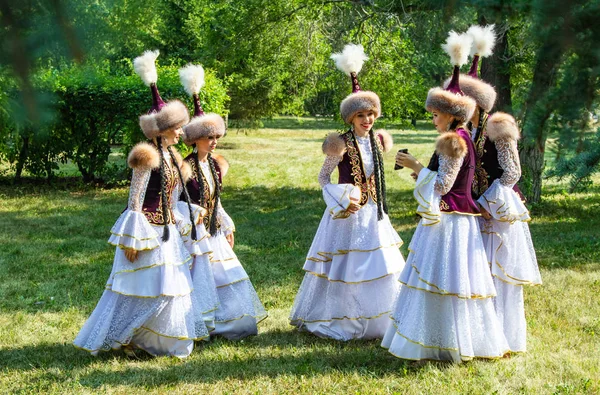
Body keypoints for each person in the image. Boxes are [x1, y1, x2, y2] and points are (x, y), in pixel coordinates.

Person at [381, 32, 509, 362]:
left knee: (443, 280)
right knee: (453, 281)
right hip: (458, 217)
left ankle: (440, 340)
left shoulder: (452, 140)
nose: (433, 119)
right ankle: (447, 338)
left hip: (451, 219)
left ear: (451, 114)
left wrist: (416, 167)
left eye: (436, 114)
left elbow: (443, 186)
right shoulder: (461, 135)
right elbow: (447, 178)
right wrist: (422, 171)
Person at [74, 50, 208, 358]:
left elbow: (173, 198)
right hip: (146, 233)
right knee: (140, 291)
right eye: (176, 127)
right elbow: (134, 200)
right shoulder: (147, 155)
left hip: (168, 234)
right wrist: (131, 240)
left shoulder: (175, 157)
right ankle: (125, 337)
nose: (181, 131)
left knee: (168, 289)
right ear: (161, 129)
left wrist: (188, 216)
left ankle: (156, 341)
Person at [289, 44, 406, 340]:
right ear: (350, 118)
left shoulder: (379, 141)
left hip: (375, 214)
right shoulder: (339, 144)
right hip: (348, 215)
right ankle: (345, 318)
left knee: (379, 266)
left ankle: (381, 319)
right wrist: (343, 198)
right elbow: (323, 177)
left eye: (370, 114)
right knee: (347, 267)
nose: (367, 120)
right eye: (360, 115)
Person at [460, 25, 542, 353]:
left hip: (500, 207)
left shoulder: (498, 126)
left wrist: (488, 202)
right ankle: (482, 336)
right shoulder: (465, 129)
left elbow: (512, 172)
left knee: (501, 273)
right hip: (475, 207)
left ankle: (506, 337)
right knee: (479, 272)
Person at [179, 64, 267, 340]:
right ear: (195, 139)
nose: (214, 141)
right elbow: (175, 202)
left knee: (224, 276)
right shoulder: (185, 166)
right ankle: (201, 323)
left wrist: (225, 222)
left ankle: (226, 322)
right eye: (209, 137)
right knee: (202, 278)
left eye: (217, 136)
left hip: (213, 231)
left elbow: (216, 198)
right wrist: (195, 212)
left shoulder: (215, 166)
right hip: (194, 234)